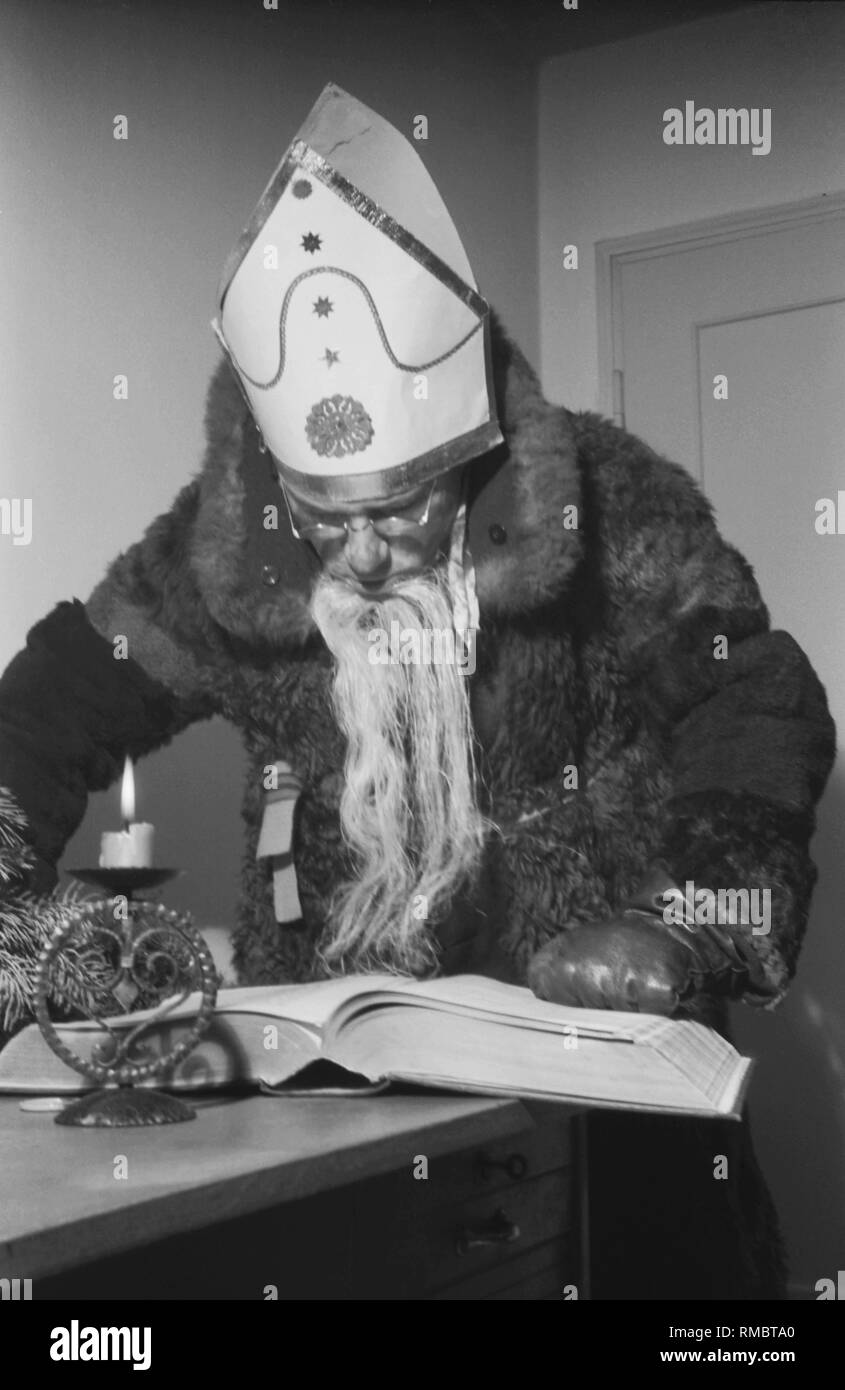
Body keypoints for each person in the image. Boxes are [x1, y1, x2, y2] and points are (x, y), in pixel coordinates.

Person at [0, 86, 835, 1299]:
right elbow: (50, 709)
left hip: (595, 1074)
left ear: (470, 454)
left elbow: (754, 701)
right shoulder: (221, 547)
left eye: (402, 507)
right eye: (325, 515)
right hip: (335, 1106)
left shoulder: (609, 500)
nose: (364, 553)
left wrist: (684, 920)